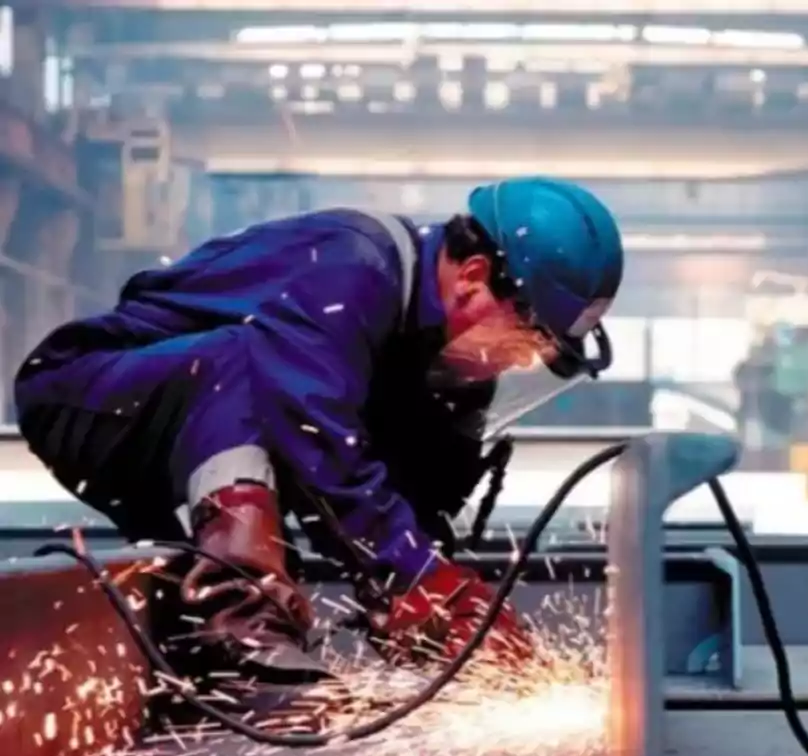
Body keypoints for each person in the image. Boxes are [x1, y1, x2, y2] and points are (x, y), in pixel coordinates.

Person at [13, 177, 623, 712]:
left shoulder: (428, 356)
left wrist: (444, 613)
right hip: (90, 389)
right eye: (530, 337)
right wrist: (414, 576)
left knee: (363, 422)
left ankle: (216, 623)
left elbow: (403, 512)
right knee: (249, 365)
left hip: (207, 429)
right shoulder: (352, 267)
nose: (522, 362)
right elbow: (319, 442)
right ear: (472, 279)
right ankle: (241, 622)